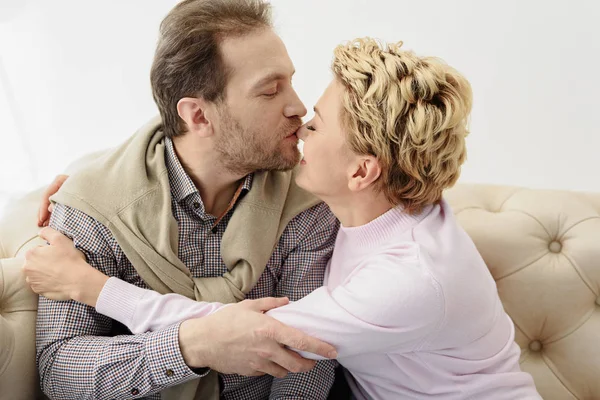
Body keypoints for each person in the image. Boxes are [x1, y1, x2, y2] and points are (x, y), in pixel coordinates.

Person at [27, 35, 542, 399]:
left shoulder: (406, 276)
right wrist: (84, 185)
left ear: (362, 172)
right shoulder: (385, 200)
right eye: (274, 90)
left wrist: (91, 287)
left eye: (316, 126)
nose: (298, 118)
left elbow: (241, 334)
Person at [26, 0, 343, 399]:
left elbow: (306, 366)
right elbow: (60, 372)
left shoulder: (310, 204)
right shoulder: (95, 208)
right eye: (270, 90)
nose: (299, 107)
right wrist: (191, 346)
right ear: (198, 116)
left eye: (291, 81)